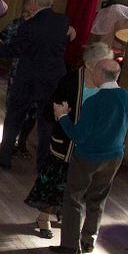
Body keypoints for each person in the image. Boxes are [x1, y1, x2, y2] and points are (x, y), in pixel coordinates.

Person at [52, 47, 128, 254]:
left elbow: (78, 135)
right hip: (114, 157)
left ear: (99, 75)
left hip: (88, 157)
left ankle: (70, 246)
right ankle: (88, 240)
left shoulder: (94, 102)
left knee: (73, 198)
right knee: (98, 198)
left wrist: (62, 117)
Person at [0, 0, 74, 169]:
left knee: (14, 117)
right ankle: (43, 164)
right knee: (46, 123)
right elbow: (65, 39)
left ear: (34, 3)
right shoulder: (63, 21)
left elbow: (9, 51)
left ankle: (5, 159)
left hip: (27, 79)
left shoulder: (28, 26)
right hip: (52, 80)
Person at [26, 43, 108, 239]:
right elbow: (50, 110)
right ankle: (43, 216)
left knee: (79, 186)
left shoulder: (107, 85)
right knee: (54, 182)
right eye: (101, 64)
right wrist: (62, 113)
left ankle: (66, 214)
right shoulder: (70, 81)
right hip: (66, 143)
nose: (105, 69)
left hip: (89, 146)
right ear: (89, 65)